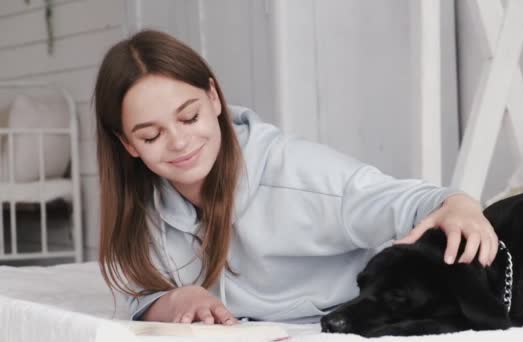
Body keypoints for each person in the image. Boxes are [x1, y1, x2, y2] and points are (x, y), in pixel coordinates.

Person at [94, 30, 498, 326]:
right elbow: (144, 295)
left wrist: (458, 204)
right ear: (128, 144)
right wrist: (180, 299)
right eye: (151, 135)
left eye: (189, 116)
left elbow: (403, 201)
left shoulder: (295, 172)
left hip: (346, 320)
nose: (179, 142)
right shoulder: (142, 201)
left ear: (214, 98)